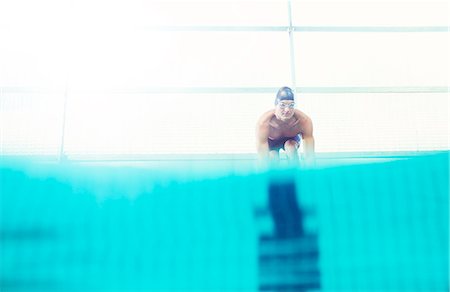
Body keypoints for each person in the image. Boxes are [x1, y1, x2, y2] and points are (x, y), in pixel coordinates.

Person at [256, 86, 315, 167]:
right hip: (271, 143)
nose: (287, 110)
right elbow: (262, 159)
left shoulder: (304, 121)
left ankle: (295, 175)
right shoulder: (264, 123)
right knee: (273, 157)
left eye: (291, 105)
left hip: (292, 140)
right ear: (276, 105)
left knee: (290, 148)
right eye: (282, 105)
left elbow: (309, 156)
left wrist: (309, 176)